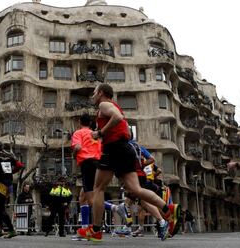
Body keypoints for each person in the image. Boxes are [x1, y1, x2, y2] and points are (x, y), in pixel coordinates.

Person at [77, 83, 179, 242]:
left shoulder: (105, 104)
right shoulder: (110, 106)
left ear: (102, 93)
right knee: (136, 189)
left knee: (98, 188)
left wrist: (100, 133)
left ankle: (95, 230)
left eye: (95, 92)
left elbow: (117, 117)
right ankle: (168, 209)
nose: (93, 95)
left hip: (113, 148)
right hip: (125, 149)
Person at [0, 141, 23, 239]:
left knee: (0, 207)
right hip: (9, 185)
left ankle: (11, 229)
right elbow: (20, 165)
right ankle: (0, 228)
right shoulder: (10, 155)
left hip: (0, 184)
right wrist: (11, 172)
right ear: (2, 147)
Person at [71, 113, 101, 230]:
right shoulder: (95, 134)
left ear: (79, 122)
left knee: (91, 199)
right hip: (98, 164)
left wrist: (74, 155)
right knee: (82, 197)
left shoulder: (78, 133)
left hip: (87, 164)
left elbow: (78, 147)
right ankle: (84, 228)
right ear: (90, 123)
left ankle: (115, 208)